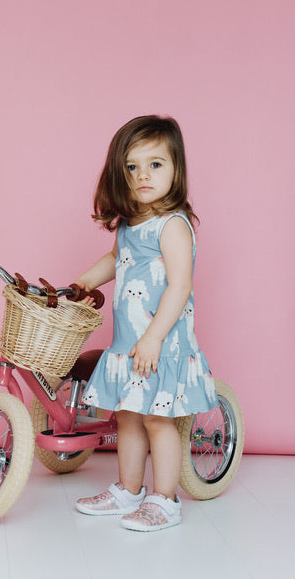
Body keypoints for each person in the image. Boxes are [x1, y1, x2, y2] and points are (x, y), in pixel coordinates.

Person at [72, 115, 216, 531]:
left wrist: (153, 338)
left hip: (161, 345)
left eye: (155, 164)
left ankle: (165, 499)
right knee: (129, 414)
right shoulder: (131, 224)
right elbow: (115, 260)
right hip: (130, 344)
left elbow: (180, 286)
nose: (142, 176)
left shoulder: (172, 225)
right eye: (132, 167)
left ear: (177, 169)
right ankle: (128, 490)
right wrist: (84, 282)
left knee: (157, 419)